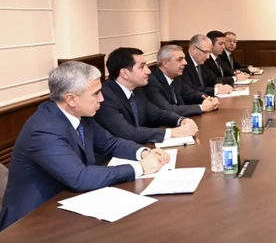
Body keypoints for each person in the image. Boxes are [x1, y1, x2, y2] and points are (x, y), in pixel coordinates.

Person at [0, 61, 169, 230]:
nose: (102, 99)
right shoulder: (44, 129)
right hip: (32, 221)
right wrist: (140, 168)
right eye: (96, 94)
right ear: (71, 99)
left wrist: (144, 153)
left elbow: (110, 143)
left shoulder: (80, 115)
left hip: (68, 204)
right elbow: (80, 178)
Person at [95, 47, 199, 146]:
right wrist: (173, 132)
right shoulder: (105, 96)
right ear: (125, 73)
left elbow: (157, 114)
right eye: (142, 67)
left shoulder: (137, 90)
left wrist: (181, 120)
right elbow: (127, 133)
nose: (148, 71)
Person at [145, 45, 220, 117]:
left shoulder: (176, 78)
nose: (185, 63)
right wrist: (202, 107)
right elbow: (168, 109)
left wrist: (207, 99)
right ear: (165, 63)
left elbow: (190, 94)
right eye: (180, 59)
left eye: (184, 59)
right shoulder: (152, 82)